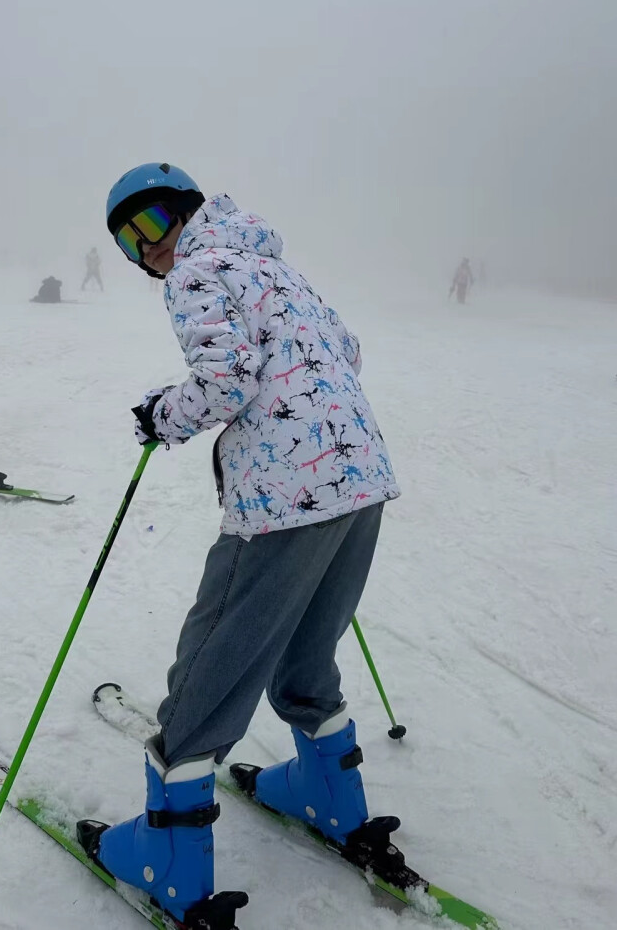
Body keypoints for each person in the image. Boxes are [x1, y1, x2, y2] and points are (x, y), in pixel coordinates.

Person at [78, 162, 400, 928]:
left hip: (286, 497)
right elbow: (347, 352)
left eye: (152, 222)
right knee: (305, 645)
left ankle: (169, 856)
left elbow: (225, 380)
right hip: (359, 480)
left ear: (188, 210)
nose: (145, 247)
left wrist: (163, 414)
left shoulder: (194, 274)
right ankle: (328, 791)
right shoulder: (271, 265)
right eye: (128, 240)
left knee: (214, 659)